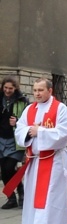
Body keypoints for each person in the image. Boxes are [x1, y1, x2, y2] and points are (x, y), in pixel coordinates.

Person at [7, 78, 67, 224]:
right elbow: (20, 130)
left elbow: (64, 133)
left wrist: (40, 131)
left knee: (50, 201)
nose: (37, 93)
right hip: (34, 163)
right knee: (33, 200)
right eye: (35, 90)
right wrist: (29, 131)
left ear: (50, 91)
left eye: (40, 90)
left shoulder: (60, 109)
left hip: (53, 163)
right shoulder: (30, 109)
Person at [0, 76, 28, 209]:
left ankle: (21, 194)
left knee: (9, 167)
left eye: (10, 88)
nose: (7, 90)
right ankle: (11, 198)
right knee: (4, 171)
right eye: (5, 87)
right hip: (1, 139)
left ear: (15, 88)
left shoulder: (22, 101)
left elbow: (28, 119)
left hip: (15, 140)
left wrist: (17, 121)